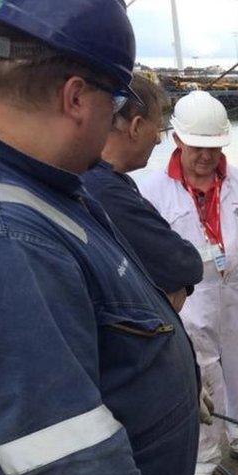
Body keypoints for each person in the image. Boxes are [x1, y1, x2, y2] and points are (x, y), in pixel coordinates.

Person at [0, 0, 199, 475]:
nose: (117, 117)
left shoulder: (45, 182)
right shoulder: (9, 241)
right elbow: (72, 472)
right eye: (117, 96)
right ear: (77, 97)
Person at [139, 90, 238, 475]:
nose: (206, 156)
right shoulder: (153, 191)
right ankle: (203, 459)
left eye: (213, 147)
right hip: (189, 297)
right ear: (178, 141)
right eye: (197, 147)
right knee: (198, 376)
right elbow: (141, 250)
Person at [81, 73, 203, 311]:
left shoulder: (91, 178)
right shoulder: (107, 191)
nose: (158, 140)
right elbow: (185, 264)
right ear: (136, 126)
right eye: (157, 128)